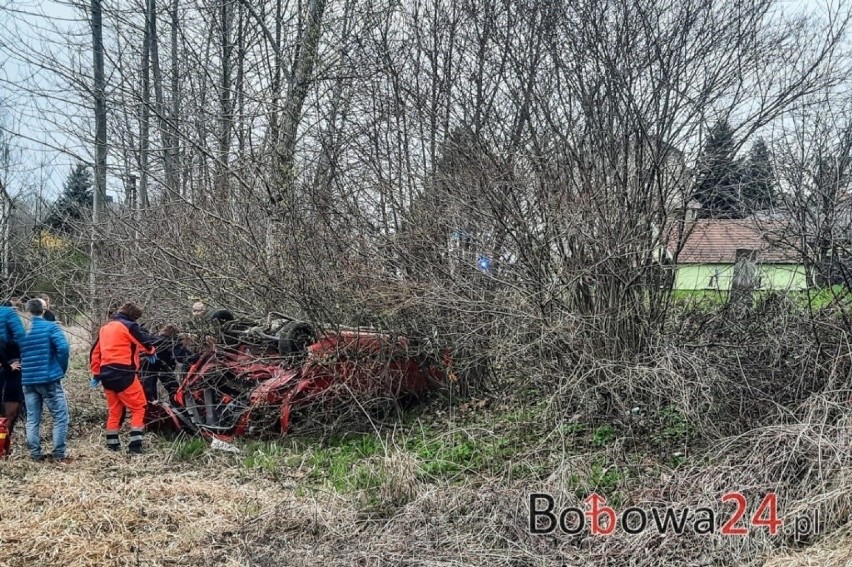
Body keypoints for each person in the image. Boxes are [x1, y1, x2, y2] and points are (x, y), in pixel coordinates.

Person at [89, 302, 156, 454]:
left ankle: (112, 445)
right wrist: (151, 351)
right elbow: (144, 342)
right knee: (139, 407)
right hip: (125, 373)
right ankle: (135, 446)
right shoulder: (129, 326)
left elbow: (95, 352)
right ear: (134, 317)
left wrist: (96, 373)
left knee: (115, 410)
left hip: (106, 375)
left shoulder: (105, 328)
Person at [18, 298, 70, 462]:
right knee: (60, 416)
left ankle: (35, 454)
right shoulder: (51, 327)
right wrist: (60, 369)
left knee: (32, 419)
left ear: (28, 311)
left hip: (28, 380)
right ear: (44, 310)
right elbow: (63, 348)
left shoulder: (22, 332)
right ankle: (59, 453)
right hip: (48, 379)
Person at [141, 324, 200, 404]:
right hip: (161, 367)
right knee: (173, 389)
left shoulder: (156, 340)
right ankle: (177, 407)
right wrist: (197, 356)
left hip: (147, 367)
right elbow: (182, 357)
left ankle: (152, 406)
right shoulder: (171, 343)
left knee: (149, 391)